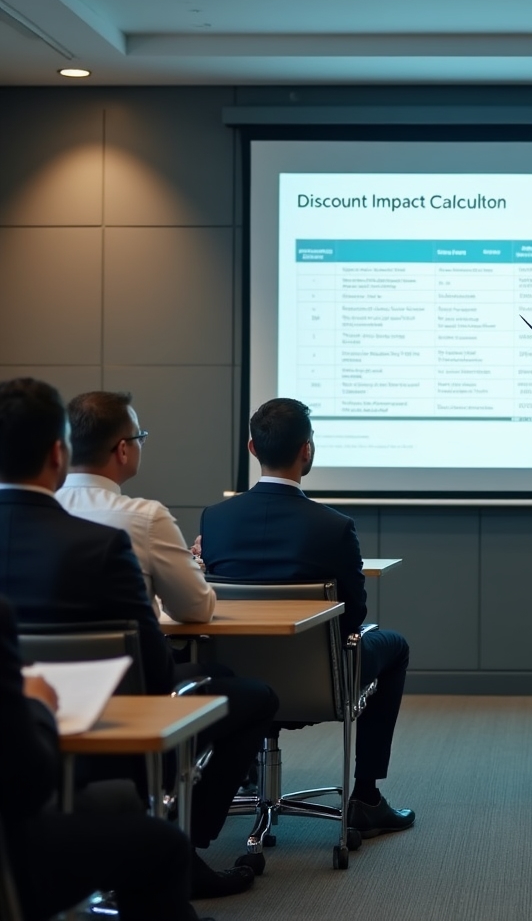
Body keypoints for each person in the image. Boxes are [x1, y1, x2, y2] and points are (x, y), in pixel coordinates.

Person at [0, 377, 275, 900]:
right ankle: (185, 844)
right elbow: (153, 663)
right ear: (57, 453)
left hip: (22, 730)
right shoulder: (118, 535)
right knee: (249, 694)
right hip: (113, 720)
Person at [199, 397, 414, 839]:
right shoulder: (333, 527)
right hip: (320, 685)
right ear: (307, 450)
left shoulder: (215, 520)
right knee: (393, 645)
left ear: (252, 449)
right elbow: (353, 617)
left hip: (238, 681)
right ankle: (366, 798)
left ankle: (245, 773)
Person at [0, 595, 209, 921]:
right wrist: (38, 707)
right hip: (11, 860)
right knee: (164, 847)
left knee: (120, 796)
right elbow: (30, 785)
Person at [56, 390, 216, 623]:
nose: (141, 444)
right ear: (122, 450)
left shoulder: (34, 514)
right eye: (139, 437)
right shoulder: (147, 519)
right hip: (128, 659)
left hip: (40, 660)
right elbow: (196, 609)